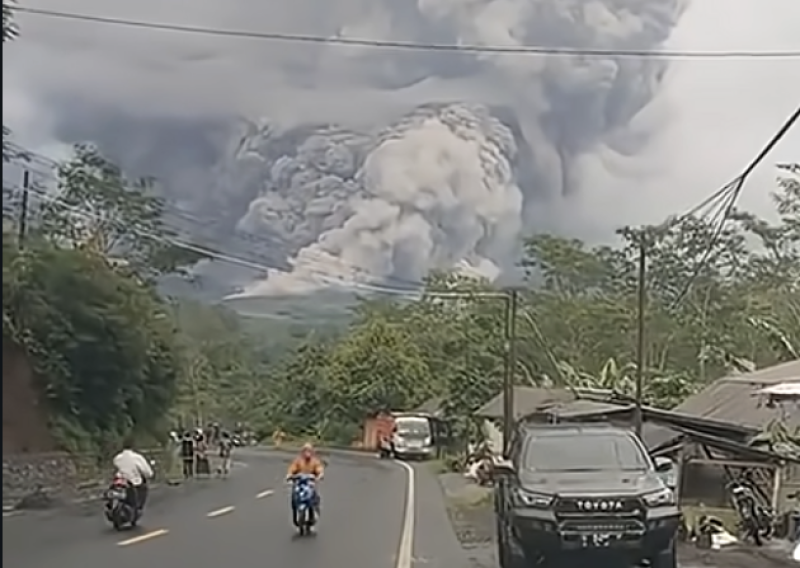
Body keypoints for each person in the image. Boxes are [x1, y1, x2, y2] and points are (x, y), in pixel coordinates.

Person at [112, 438, 154, 514]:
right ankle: (138, 508)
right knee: (143, 488)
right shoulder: (137, 457)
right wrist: (149, 475)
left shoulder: (117, 458)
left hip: (120, 481)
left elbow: (115, 467)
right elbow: (146, 471)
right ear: (133, 446)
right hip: (133, 482)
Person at [286, 443, 324, 514]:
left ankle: (315, 507)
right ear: (302, 452)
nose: (307, 453)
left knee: (314, 492)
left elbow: (319, 470)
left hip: (310, 481)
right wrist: (289, 475)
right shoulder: (298, 460)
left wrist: (320, 475)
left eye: (309, 451)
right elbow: (292, 469)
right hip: (299, 480)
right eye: (305, 450)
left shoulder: (315, 461)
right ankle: (296, 505)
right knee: (295, 491)